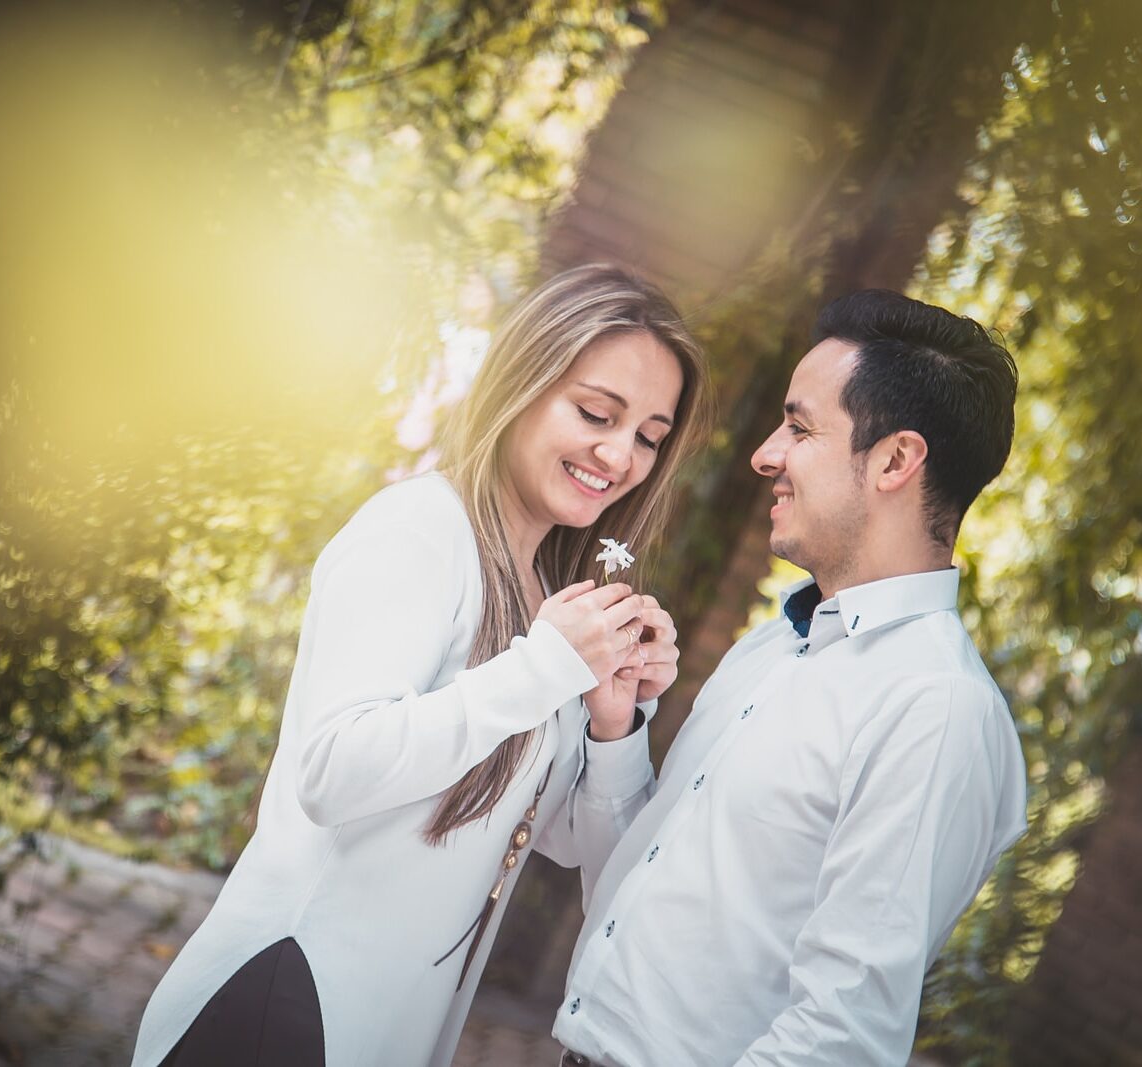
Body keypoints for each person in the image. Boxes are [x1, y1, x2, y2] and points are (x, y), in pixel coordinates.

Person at [130, 263, 713, 1067]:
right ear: (522, 381)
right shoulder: (417, 532)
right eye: (595, 412)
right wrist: (543, 667)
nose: (619, 454)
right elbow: (334, 771)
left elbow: (578, 850)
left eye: (649, 436)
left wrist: (615, 721)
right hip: (285, 1007)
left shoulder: (543, 593)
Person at [553, 290, 1028, 1066]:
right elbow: (633, 887)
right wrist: (615, 729)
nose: (764, 453)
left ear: (896, 460)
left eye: (800, 427)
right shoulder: (778, 646)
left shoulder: (937, 710)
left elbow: (842, 1036)